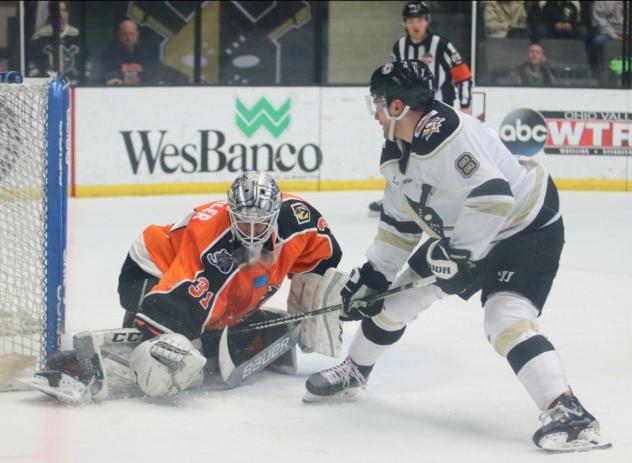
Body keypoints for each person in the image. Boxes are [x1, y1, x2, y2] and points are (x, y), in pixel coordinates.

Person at [303, 60, 611, 453]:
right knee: (397, 298)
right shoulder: (400, 149)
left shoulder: (444, 137)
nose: (375, 113)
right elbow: (400, 225)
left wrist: (461, 256)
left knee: (504, 317)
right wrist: (374, 277)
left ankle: (570, 413)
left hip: (527, 227)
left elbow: (495, 195)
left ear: (398, 106)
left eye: (379, 103)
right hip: (468, 230)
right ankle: (354, 372)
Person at [34, 172, 343, 401]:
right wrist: (172, 342)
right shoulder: (212, 245)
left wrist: (316, 294)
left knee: (205, 328)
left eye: (260, 222)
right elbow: (173, 305)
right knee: (175, 346)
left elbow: (324, 253)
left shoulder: (298, 219)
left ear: (276, 214)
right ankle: (79, 365)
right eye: (242, 220)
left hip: (205, 279)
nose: (250, 231)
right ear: (229, 211)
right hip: (151, 268)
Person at [368, 1, 473, 217]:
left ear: (427, 22)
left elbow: (464, 76)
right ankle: (397, 196)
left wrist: (465, 106)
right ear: (404, 24)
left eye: (421, 20)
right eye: (411, 20)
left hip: (438, 113)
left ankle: (454, 197)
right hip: (406, 115)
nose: (416, 25)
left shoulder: (441, 45)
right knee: (401, 152)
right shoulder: (399, 47)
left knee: (442, 155)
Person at [28, 0, 89, 84]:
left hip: (74, 86)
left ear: (68, 13)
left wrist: (82, 85)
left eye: (64, 10)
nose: (60, 14)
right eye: (56, 11)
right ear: (51, 13)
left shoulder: (77, 37)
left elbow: (86, 65)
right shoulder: (39, 37)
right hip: (47, 88)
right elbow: (32, 67)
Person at [100, 19, 160, 85]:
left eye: (132, 34)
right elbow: (107, 74)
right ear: (119, 35)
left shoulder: (148, 53)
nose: (129, 38)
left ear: (137, 35)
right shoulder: (110, 53)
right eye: (125, 34)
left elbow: (155, 73)